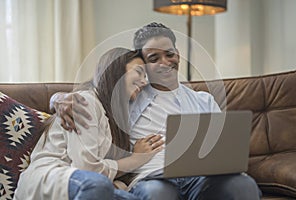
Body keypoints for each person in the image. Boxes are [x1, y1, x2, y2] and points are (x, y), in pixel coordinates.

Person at [51, 23, 261, 199]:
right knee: (157, 193)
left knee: (243, 185)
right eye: (153, 58)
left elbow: (223, 147)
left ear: (177, 55)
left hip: (201, 178)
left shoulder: (203, 100)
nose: (164, 63)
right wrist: (57, 98)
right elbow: (95, 92)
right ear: (143, 63)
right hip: (151, 178)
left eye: (169, 54)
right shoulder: (129, 97)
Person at [13, 47, 164, 200]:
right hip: (53, 180)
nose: (145, 82)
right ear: (115, 70)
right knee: (98, 184)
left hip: (86, 185)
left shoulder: (115, 116)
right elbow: (86, 168)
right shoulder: (83, 102)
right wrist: (135, 159)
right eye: (139, 72)